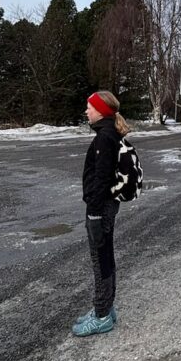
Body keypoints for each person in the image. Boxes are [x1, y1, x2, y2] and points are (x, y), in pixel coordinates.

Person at [72, 90, 130, 337]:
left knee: (100, 261)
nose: (86, 111)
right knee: (105, 256)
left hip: (100, 208)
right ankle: (106, 308)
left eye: (89, 107)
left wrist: (94, 214)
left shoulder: (105, 136)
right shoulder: (107, 133)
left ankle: (102, 315)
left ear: (101, 111)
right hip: (104, 206)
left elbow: (102, 178)